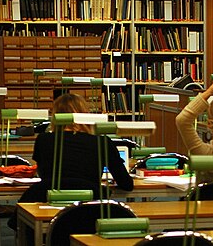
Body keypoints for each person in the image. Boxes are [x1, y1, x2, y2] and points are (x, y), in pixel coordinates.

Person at [7, 93, 133, 232]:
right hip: (90, 209)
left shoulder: (43, 139)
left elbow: (43, 175)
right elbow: (127, 184)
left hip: (48, 202)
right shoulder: (102, 142)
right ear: (86, 115)